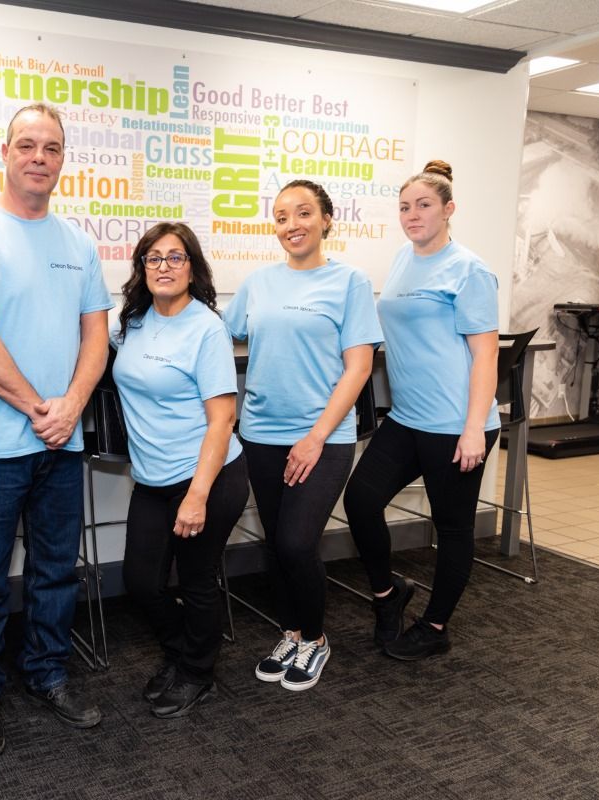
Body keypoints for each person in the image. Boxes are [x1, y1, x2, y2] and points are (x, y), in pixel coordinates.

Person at [0, 103, 113, 757]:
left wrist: (72, 405)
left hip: (61, 443)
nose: (40, 156)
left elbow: (96, 333)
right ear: (5, 153)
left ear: (64, 160)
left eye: (53, 147)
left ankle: (46, 673)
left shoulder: (78, 242)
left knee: (55, 571)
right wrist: (43, 407)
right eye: (28, 145)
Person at [224, 180, 382, 692]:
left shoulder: (350, 281)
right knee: (277, 542)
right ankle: (290, 631)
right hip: (261, 433)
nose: (291, 225)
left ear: (327, 219)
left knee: (297, 542)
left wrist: (315, 437)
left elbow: (358, 368)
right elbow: (213, 333)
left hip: (324, 437)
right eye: (281, 216)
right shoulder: (258, 283)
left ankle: (314, 638)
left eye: (303, 213)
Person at [342, 160, 500, 661]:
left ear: (449, 210)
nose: (412, 214)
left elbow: (486, 355)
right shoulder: (403, 259)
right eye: (405, 206)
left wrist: (474, 428)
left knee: (452, 528)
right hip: (408, 418)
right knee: (361, 501)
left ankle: (435, 627)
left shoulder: (470, 269)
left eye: (424, 205)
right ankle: (389, 597)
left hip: (456, 425)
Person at [112, 223, 249, 718]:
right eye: (153, 258)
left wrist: (197, 495)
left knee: (195, 581)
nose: (163, 267)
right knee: (141, 581)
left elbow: (222, 419)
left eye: (175, 257)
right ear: (141, 267)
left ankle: (197, 672)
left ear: (192, 267)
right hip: (151, 479)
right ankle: (180, 650)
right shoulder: (130, 321)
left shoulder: (206, 327)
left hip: (208, 477)